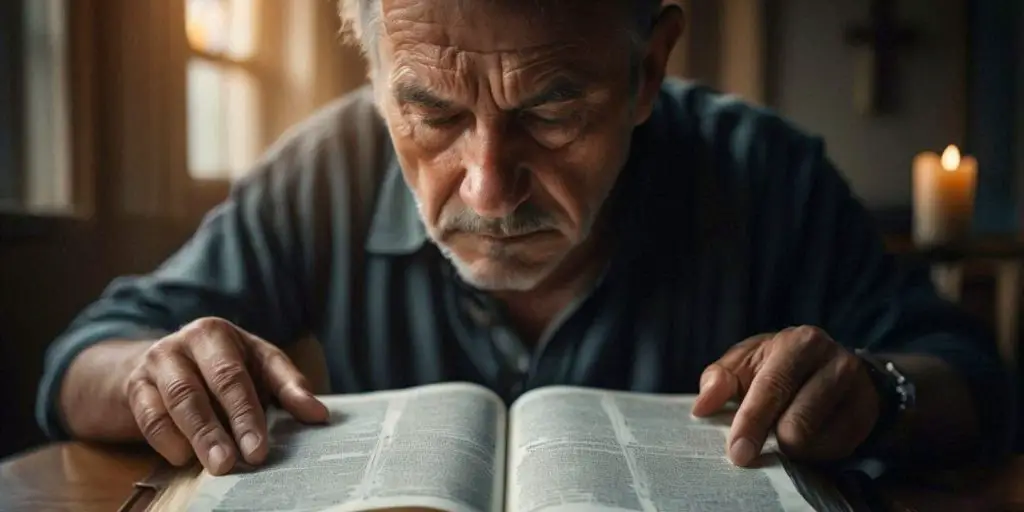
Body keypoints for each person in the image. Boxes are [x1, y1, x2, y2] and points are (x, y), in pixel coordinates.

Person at [38, 0, 1013, 478]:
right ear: (377, 79)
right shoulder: (323, 167)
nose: (488, 185)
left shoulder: (765, 172)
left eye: (552, 110)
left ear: (646, 71)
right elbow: (83, 355)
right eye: (429, 111)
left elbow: (972, 373)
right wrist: (149, 372)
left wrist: (875, 391)